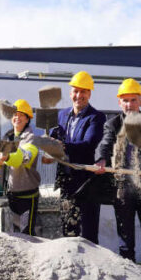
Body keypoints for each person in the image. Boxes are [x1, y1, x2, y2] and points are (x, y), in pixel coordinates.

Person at [94, 78, 141, 276]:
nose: (129, 104)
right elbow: (105, 144)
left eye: (133, 100)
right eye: (125, 100)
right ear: (119, 103)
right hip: (123, 190)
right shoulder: (113, 124)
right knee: (126, 244)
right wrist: (100, 160)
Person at [0, 99, 64, 235]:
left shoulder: (31, 139)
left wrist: (6, 157)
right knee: (14, 235)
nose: (17, 117)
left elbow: (21, 158)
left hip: (28, 197)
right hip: (11, 195)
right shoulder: (7, 137)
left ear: (27, 119)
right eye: (15, 114)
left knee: (27, 234)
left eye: (21, 115)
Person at [49, 71, 106, 243]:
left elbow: (89, 144)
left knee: (88, 233)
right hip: (66, 179)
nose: (79, 95)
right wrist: (49, 143)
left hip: (86, 181)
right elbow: (54, 136)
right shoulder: (61, 115)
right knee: (68, 230)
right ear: (70, 92)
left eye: (83, 91)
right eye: (75, 91)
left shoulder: (96, 117)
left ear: (90, 93)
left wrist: (63, 146)